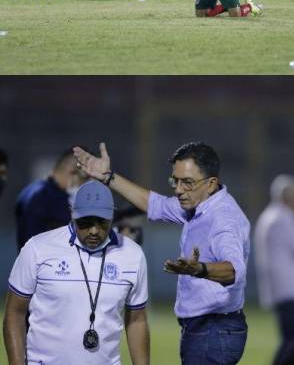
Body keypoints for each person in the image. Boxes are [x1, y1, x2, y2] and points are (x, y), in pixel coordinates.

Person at [73, 141, 251, 365]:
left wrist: (200, 269)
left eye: (187, 182)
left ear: (211, 184)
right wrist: (108, 176)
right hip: (209, 329)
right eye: (174, 181)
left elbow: (234, 270)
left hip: (214, 329)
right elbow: (154, 204)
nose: (178, 189)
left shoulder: (223, 218)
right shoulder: (199, 205)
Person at [4, 181, 149, 365]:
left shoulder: (132, 255)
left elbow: (137, 320)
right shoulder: (37, 248)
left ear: (112, 216)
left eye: (102, 222)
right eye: (86, 222)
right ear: (72, 213)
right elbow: (14, 313)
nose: (94, 230)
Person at [255, 175, 294, 365]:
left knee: (293, 342)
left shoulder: (272, 216)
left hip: (284, 290)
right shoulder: (282, 219)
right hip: (291, 290)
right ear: (289, 198)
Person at [15, 147, 87, 251]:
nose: (86, 184)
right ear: (73, 172)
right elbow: (32, 243)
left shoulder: (37, 192)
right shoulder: (39, 196)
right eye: (85, 178)